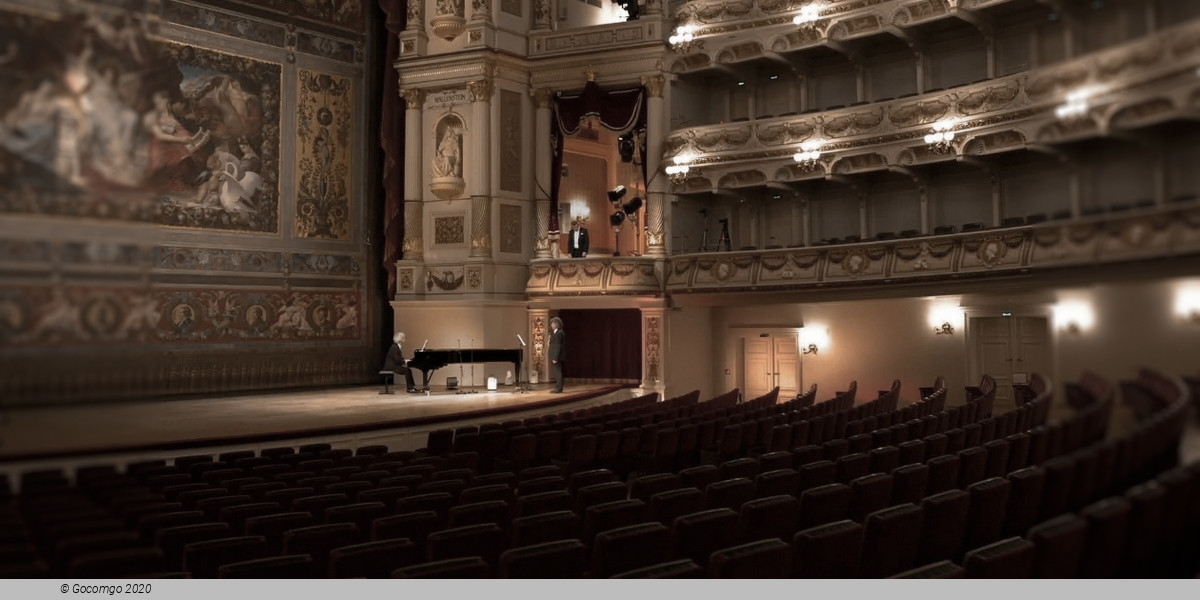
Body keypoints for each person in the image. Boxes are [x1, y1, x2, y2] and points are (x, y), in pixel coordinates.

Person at [548, 317, 565, 393]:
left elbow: (558, 346)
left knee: (558, 372)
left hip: (557, 356)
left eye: (552, 323)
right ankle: (558, 387)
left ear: (556, 324)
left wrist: (555, 357)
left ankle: (558, 388)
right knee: (557, 372)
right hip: (555, 355)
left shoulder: (559, 333)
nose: (551, 325)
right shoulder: (555, 332)